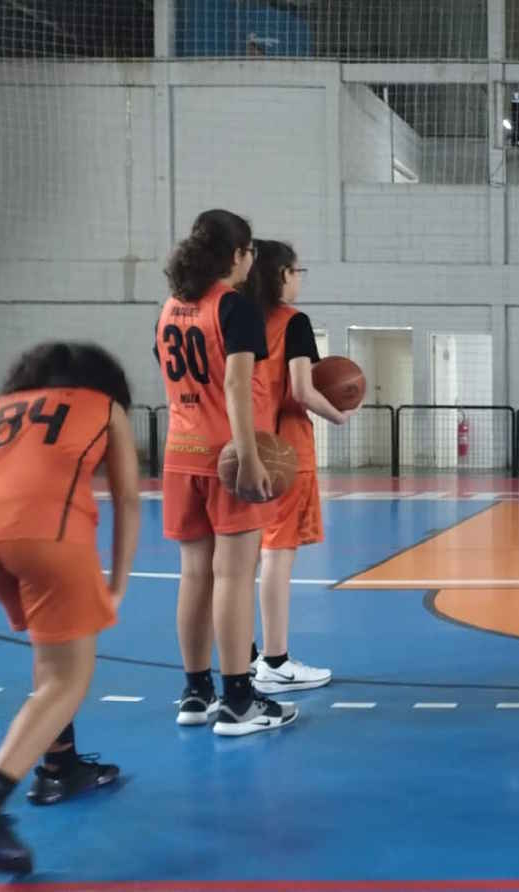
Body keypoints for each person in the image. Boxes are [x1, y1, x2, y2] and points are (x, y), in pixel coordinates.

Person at [156, 209, 298, 736]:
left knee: (193, 574)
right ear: (238, 256)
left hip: (179, 454)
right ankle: (239, 699)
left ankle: (197, 692)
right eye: (249, 253)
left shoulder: (171, 307)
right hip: (225, 458)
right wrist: (250, 454)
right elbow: (237, 386)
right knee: (234, 575)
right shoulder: (232, 307)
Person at [0, 342, 140, 873]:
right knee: (67, 679)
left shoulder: (8, 406)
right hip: (46, 535)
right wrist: (118, 582)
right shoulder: (104, 406)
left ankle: (58, 765)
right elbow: (128, 498)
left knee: (49, 653)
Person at [242, 240, 351, 693]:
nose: (300, 277)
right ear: (282, 274)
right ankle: (276, 661)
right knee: (277, 557)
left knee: (235, 563)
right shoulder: (294, 323)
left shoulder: (236, 318)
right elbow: (303, 390)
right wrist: (339, 414)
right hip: (283, 451)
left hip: (236, 447)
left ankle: (241, 657)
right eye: (297, 269)